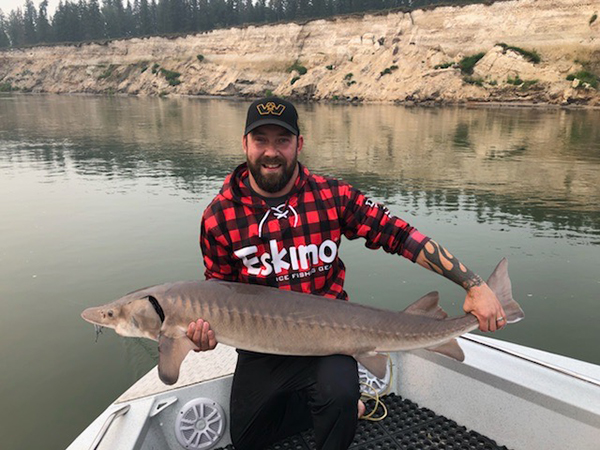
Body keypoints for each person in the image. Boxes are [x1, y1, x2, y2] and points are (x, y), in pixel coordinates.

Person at [187, 97, 506, 450]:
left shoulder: (332, 195)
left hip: (332, 341)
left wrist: (473, 284)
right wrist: (203, 332)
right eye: (261, 140)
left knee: (337, 395)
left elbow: (398, 234)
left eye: (283, 140)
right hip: (262, 345)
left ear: (299, 144)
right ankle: (323, 406)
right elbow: (216, 293)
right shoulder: (218, 216)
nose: (271, 152)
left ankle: (340, 405)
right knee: (248, 439)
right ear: (245, 143)